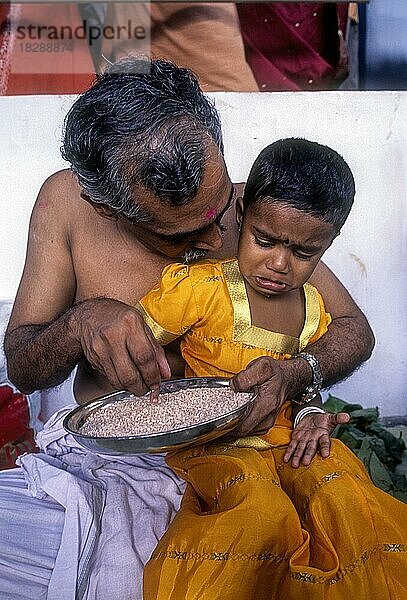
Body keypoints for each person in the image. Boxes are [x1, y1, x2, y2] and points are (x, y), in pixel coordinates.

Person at [2, 57, 375, 598]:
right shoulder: (67, 205)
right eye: (175, 237)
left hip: (240, 458)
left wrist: (298, 373)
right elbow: (22, 365)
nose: (210, 241)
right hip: (111, 464)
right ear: (106, 207)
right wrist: (81, 323)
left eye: (219, 211)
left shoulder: (259, 218)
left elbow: (353, 330)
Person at [139, 138, 407, 599]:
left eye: (304, 253)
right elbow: (133, 342)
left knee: (343, 497)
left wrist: (309, 417)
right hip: (217, 442)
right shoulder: (200, 290)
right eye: (264, 240)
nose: (279, 264)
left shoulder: (315, 309)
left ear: (330, 242)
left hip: (288, 441)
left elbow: (305, 388)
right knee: (261, 514)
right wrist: (160, 401)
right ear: (240, 216)